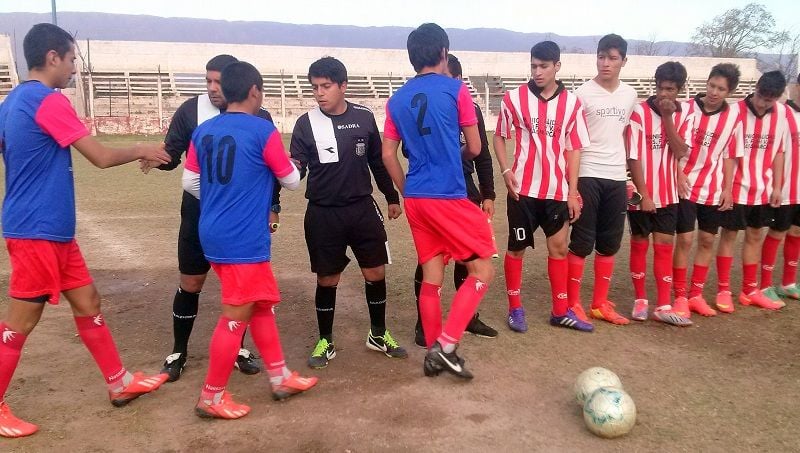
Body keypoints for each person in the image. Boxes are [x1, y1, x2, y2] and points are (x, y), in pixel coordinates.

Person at [0, 23, 171, 438]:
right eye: (72, 59)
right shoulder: (48, 100)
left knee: (87, 300)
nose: (75, 68)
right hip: (36, 229)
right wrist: (142, 148)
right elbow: (100, 157)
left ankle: (119, 382)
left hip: (52, 230)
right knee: (21, 322)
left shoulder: (12, 101)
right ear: (53, 57)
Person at [182, 61, 317, 419]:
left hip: (212, 231)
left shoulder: (204, 130)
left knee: (260, 304)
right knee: (236, 313)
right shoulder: (261, 130)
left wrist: (222, 198)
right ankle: (211, 397)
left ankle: (280, 376)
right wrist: (294, 165)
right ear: (255, 91)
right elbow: (291, 181)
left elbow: (190, 182)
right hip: (242, 237)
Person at [146, 54, 272, 381]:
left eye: (219, 81)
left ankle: (238, 349)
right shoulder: (191, 111)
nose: (213, 88)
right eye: (208, 81)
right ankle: (178, 351)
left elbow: (268, 170)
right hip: (198, 216)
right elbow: (173, 153)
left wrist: (273, 206)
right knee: (190, 283)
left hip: (242, 221)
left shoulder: (260, 117)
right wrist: (156, 158)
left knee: (241, 290)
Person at [383, 23, 495, 379]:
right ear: (444, 53)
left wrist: (406, 190)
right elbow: (475, 147)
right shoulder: (455, 89)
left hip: (416, 198)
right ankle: (446, 345)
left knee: (432, 275)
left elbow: (388, 155)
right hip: (447, 195)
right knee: (483, 270)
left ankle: (434, 353)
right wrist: (452, 157)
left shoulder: (396, 99)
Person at [289, 57, 407, 369]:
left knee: (376, 272)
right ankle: (325, 340)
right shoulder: (305, 124)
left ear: (343, 86)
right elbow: (297, 167)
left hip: (362, 208)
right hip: (323, 213)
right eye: (315, 87)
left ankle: (378, 334)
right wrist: (288, 172)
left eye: (326, 86)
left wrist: (391, 197)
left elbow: (377, 161)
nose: (319, 93)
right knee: (328, 278)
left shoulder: (364, 117)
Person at [494, 41, 591, 333]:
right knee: (516, 249)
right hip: (522, 191)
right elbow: (499, 136)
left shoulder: (572, 104)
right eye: (534, 66)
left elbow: (574, 149)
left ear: (557, 66)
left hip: (556, 191)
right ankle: (515, 308)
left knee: (559, 248)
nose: (537, 72)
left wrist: (572, 192)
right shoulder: (514, 98)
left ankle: (560, 311)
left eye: (544, 66)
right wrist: (506, 170)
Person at [412, 53, 498, 347]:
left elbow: (481, 153)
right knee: (431, 262)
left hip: (464, 191)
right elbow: (412, 152)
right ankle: (425, 326)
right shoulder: (428, 107)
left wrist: (488, 193)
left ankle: (467, 318)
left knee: (467, 260)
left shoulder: (469, 106)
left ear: (458, 80)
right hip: (436, 193)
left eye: (446, 78)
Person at [567, 34, 639, 326]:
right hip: (588, 173)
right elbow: (572, 141)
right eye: (601, 57)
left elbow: (624, 136)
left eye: (612, 58)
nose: (605, 63)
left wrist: (629, 178)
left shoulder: (630, 95)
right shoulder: (581, 94)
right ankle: (573, 303)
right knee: (582, 242)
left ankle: (599, 303)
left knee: (609, 243)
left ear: (624, 61)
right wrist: (572, 186)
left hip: (616, 177)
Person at [671, 63, 743, 318]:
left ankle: (696, 294)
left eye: (721, 89)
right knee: (685, 240)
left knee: (707, 240)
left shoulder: (733, 118)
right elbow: (672, 144)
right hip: (685, 185)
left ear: (729, 92)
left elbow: (729, 155)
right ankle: (680, 295)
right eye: (711, 85)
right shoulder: (686, 108)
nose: (714, 92)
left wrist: (727, 188)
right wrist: (678, 172)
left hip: (712, 188)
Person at [627, 61, 694, 326]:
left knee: (665, 246)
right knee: (639, 243)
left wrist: (667, 118)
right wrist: (644, 195)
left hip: (668, 194)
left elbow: (680, 151)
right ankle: (640, 299)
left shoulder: (685, 114)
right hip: (641, 194)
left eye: (670, 89)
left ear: (679, 90)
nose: (664, 94)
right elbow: (633, 157)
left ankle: (664, 304)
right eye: (661, 88)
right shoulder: (639, 112)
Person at [716, 70, 788, 311]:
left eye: (769, 100)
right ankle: (723, 289)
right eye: (760, 97)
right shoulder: (735, 111)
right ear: (756, 88)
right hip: (737, 187)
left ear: (777, 98)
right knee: (729, 235)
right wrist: (726, 188)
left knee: (755, 236)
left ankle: (750, 289)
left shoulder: (781, 114)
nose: (762, 103)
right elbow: (727, 153)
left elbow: (779, 152)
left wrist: (777, 186)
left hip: (762, 188)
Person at [760, 73, 800, 300]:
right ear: (796, 86)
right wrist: (776, 185)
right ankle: (765, 284)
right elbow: (777, 151)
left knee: (796, 232)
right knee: (778, 231)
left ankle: (788, 283)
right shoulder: (783, 112)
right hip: (784, 188)